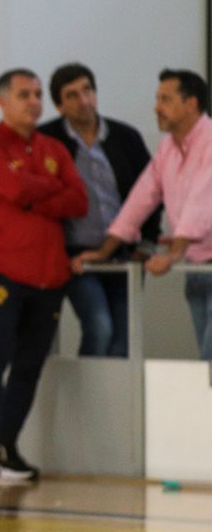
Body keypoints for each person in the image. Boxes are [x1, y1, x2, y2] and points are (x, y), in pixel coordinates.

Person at [0, 69, 87, 481]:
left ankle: (8, 447)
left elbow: (79, 200)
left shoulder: (54, 147)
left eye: (37, 94)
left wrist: (33, 194)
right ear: (3, 101)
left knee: (29, 364)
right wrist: (47, 188)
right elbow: (14, 190)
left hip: (49, 276)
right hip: (2, 271)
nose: (34, 101)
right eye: (24, 94)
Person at [72, 69, 212, 359]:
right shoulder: (168, 147)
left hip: (197, 262)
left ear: (192, 104)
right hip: (198, 268)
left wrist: (173, 255)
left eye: (165, 99)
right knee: (206, 365)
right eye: (157, 99)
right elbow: (141, 199)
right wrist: (104, 250)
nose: (156, 107)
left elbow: (202, 202)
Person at [38, 63, 157, 357]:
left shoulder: (125, 136)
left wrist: (146, 243)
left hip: (124, 253)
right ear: (59, 105)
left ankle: (112, 390)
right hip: (77, 256)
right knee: (99, 326)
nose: (84, 101)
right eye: (72, 95)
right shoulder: (46, 141)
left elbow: (152, 191)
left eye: (88, 90)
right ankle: (89, 388)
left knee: (124, 339)